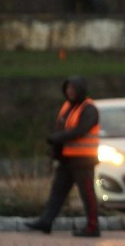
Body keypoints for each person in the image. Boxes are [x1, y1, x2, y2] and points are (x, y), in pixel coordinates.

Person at [26, 76, 101, 237]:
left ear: (81, 89)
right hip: (67, 158)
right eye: (68, 88)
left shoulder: (89, 108)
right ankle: (46, 221)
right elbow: (62, 129)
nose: (70, 92)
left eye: (73, 89)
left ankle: (93, 227)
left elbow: (80, 130)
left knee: (87, 194)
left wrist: (56, 138)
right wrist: (55, 149)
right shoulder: (67, 107)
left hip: (83, 160)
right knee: (57, 191)